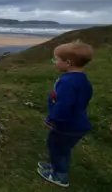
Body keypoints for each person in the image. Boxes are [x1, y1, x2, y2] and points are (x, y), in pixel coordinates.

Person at [37, 40, 94, 188]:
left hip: (66, 125)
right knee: (62, 148)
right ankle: (55, 166)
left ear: (68, 63)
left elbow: (63, 106)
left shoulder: (68, 83)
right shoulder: (82, 79)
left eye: (56, 59)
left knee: (57, 148)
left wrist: (50, 120)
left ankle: (60, 176)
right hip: (77, 122)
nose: (54, 62)